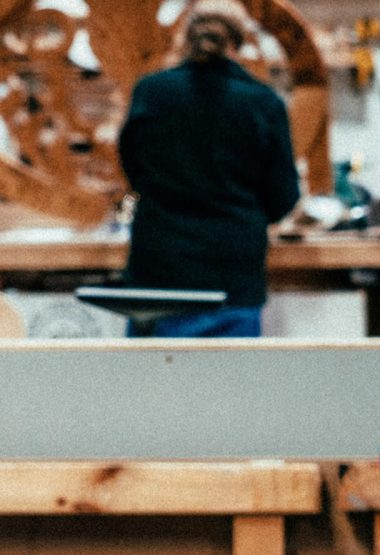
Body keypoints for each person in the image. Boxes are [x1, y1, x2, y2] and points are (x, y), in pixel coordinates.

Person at [118, 3, 300, 337]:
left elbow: (131, 168)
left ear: (185, 38)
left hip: (158, 273)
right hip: (232, 274)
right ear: (240, 43)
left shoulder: (152, 92)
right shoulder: (263, 103)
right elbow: (284, 195)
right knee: (231, 386)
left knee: (151, 386)